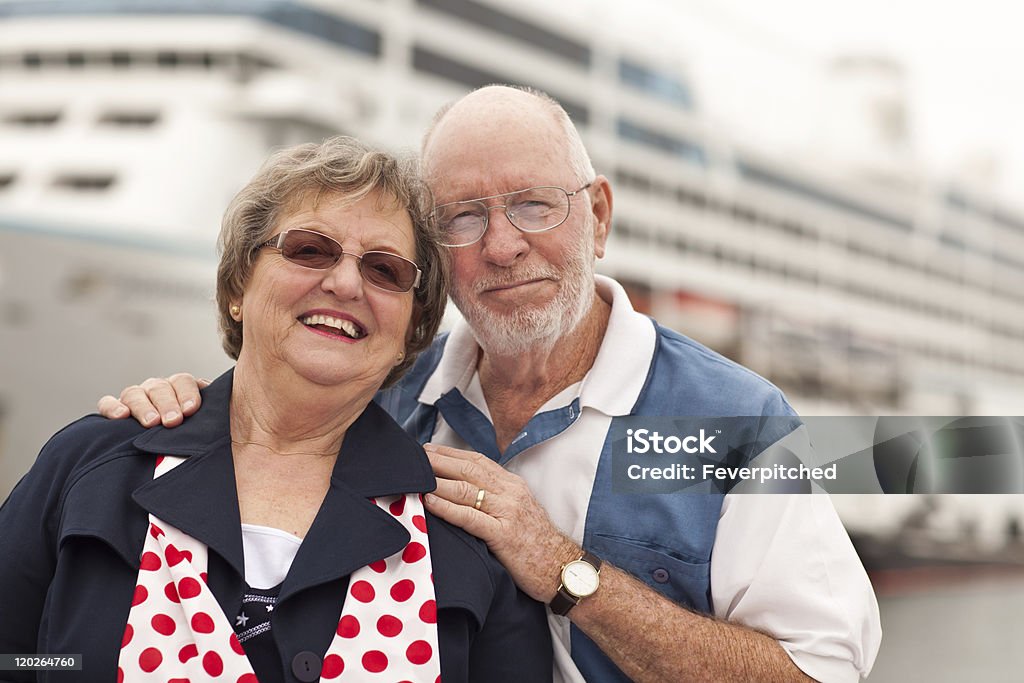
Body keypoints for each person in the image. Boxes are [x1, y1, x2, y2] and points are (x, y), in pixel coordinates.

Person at [98, 86, 881, 682]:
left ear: (599, 218)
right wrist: (192, 409)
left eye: (534, 205)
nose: (503, 245)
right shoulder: (391, 400)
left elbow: (819, 671)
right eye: (462, 217)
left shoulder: (731, 419)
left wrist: (569, 575)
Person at [0, 136, 552, 683]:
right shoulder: (91, 467)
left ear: (412, 328)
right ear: (239, 283)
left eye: (385, 270)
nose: (344, 283)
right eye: (310, 249)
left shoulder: (463, 539)